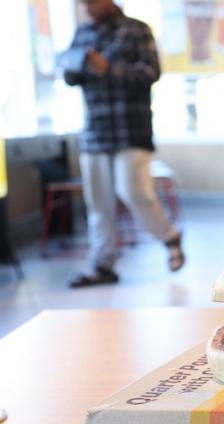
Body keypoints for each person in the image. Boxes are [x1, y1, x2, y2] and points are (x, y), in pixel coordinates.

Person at [61, 0, 184, 287]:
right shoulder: (82, 33)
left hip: (132, 130)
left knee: (135, 193)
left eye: (90, 2)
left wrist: (109, 69)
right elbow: (69, 74)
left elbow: (151, 73)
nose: (87, 8)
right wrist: (75, 67)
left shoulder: (137, 30)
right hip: (95, 132)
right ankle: (103, 265)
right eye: (82, 4)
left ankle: (170, 238)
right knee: (98, 204)